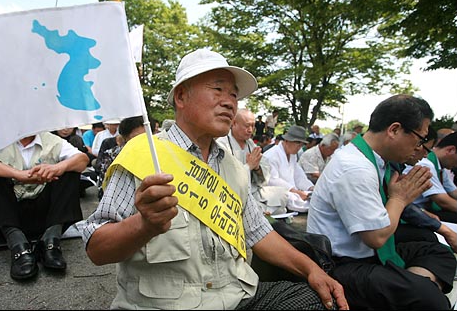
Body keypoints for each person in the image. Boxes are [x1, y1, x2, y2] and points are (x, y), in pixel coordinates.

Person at [82, 49, 348, 310]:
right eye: (218, 90)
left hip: (238, 298)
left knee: (315, 298)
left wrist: (312, 270)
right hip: (167, 305)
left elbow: (259, 233)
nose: (229, 102)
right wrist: (144, 225)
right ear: (182, 96)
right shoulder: (142, 155)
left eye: (233, 94)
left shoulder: (234, 168)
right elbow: (96, 249)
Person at [306, 94, 456, 309]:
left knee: (439, 251)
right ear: (394, 130)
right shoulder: (355, 167)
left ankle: (408, 287)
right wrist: (399, 198)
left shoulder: (377, 161)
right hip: (343, 263)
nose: (419, 148)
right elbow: (375, 237)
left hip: (368, 252)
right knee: (430, 300)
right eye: (419, 139)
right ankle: (412, 288)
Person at [0, 131, 89, 281]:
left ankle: (50, 241)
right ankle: (18, 245)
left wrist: (59, 167)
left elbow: (82, 159)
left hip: (46, 218)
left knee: (70, 170)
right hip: (5, 217)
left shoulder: (52, 140)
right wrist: (17, 174)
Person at [217, 109, 288, 215]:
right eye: (247, 126)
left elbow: (264, 174)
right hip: (232, 194)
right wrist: (249, 166)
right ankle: (259, 212)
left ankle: (260, 211)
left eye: (253, 126)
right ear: (234, 123)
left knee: (283, 194)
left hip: (253, 191)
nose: (250, 130)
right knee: (276, 209)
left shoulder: (251, 145)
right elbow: (225, 177)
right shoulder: (222, 144)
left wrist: (257, 168)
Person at [404, 131, 457, 223]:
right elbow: (442, 200)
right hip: (413, 211)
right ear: (450, 150)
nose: (425, 154)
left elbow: (454, 192)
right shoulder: (425, 163)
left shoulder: (440, 167)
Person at [95, 115, 146, 200]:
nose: (143, 141)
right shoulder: (112, 155)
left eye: (147, 136)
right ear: (125, 137)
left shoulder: (157, 153)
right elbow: (106, 185)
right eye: (137, 137)